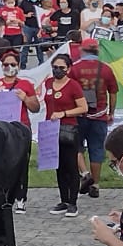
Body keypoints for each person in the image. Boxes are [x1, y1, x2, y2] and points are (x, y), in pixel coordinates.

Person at [72, 37, 118, 199]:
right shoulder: (106, 69)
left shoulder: (74, 69)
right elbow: (113, 92)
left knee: (76, 146)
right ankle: (96, 184)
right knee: (97, 149)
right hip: (99, 115)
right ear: (97, 50)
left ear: (82, 50)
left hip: (78, 114)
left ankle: (85, 173)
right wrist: (111, 112)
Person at [46, 53, 89, 218]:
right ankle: (63, 200)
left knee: (71, 165)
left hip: (68, 128)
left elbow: (83, 107)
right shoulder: (49, 83)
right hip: (51, 129)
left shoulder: (73, 86)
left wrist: (63, 113)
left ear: (68, 69)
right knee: (59, 166)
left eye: (61, 68)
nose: (57, 70)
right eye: (55, 67)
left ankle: (73, 202)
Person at [0, 50, 40, 129]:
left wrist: (26, 98)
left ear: (18, 66)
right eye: (6, 64)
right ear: (2, 66)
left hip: (20, 127)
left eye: (13, 64)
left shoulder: (26, 84)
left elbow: (36, 109)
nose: (9, 67)